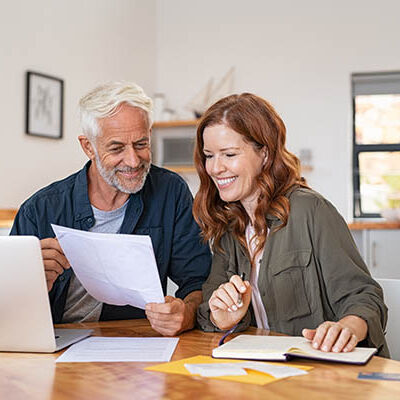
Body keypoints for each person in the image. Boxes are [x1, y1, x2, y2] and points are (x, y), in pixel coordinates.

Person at [194, 93, 389, 357]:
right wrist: (223, 317)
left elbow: (365, 297)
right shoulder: (229, 226)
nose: (215, 168)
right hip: (265, 370)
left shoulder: (310, 210)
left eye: (229, 154)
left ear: (264, 153)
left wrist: (347, 327)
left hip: (324, 373)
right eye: (209, 155)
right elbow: (207, 309)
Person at [11, 81, 211, 336]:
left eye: (141, 144)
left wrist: (186, 313)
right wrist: (31, 282)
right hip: (54, 344)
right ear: (88, 147)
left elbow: (198, 282)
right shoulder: (39, 209)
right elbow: (9, 306)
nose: (133, 161)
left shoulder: (170, 192)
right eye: (116, 148)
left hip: (132, 344)